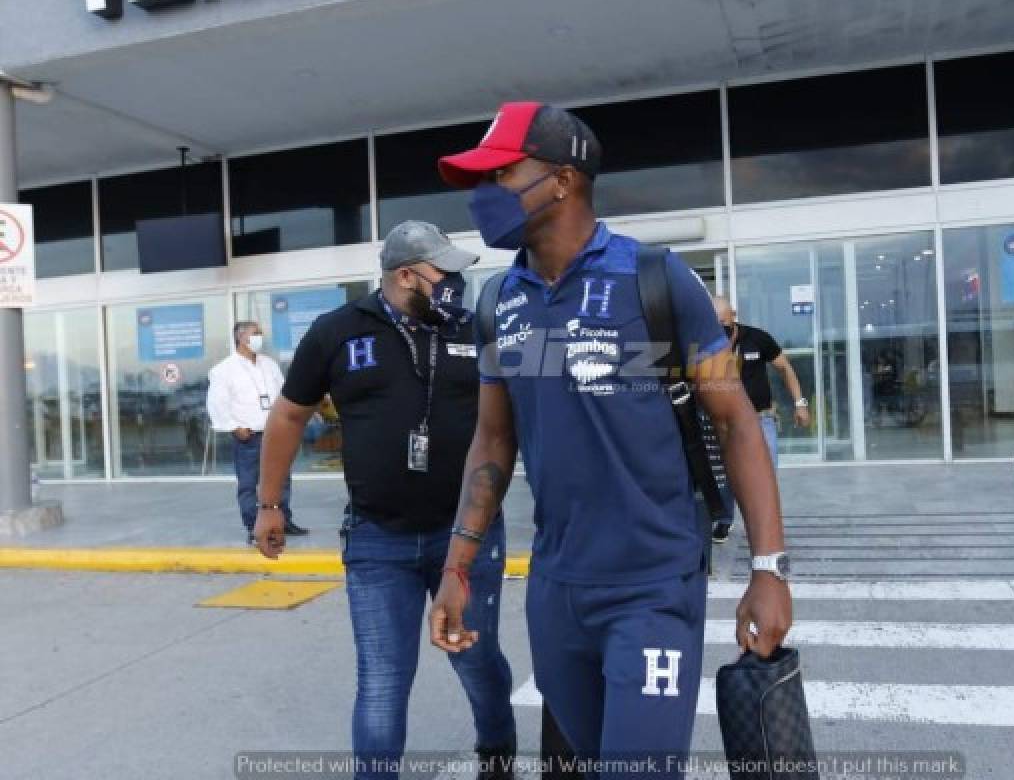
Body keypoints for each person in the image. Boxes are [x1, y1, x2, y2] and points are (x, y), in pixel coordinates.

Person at [428, 102, 793, 779]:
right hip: (557, 592)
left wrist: (768, 569)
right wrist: (457, 569)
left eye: (501, 174)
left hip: (653, 586)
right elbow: (492, 441)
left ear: (563, 180)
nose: (485, 196)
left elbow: (737, 421)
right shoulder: (495, 303)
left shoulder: (655, 280)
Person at [253, 221, 516, 780]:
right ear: (405, 276)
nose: (456, 281)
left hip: (466, 537)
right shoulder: (338, 333)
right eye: (444, 272)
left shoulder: (478, 329)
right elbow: (289, 415)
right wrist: (270, 504)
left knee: (476, 660)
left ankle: (497, 754)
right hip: (377, 539)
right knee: (382, 681)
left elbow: (517, 419)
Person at [710, 297, 811, 542]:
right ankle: (724, 520)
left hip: (761, 419)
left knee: (766, 475)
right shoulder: (708, 342)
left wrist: (800, 403)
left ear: (733, 315)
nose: (718, 327)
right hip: (724, 421)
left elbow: (785, 368)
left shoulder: (757, 338)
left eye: (722, 322)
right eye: (713, 323)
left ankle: (767, 531)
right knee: (724, 475)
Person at [206, 320, 307, 543]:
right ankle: (254, 526)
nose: (260, 337)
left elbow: (284, 393)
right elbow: (217, 402)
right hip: (249, 435)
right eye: (255, 333)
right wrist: (234, 426)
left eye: (260, 333)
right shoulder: (224, 369)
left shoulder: (269, 365)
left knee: (281, 479)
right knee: (249, 483)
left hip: (274, 432)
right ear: (241, 338)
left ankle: (283, 520)